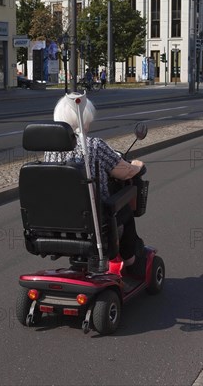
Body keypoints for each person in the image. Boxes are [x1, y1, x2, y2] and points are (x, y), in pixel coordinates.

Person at [44, 93, 146, 274]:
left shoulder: (49, 151)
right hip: (94, 218)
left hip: (60, 218)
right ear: (84, 118)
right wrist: (137, 166)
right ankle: (130, 259)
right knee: (124, 210)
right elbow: (124, 172)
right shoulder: (94, 145)